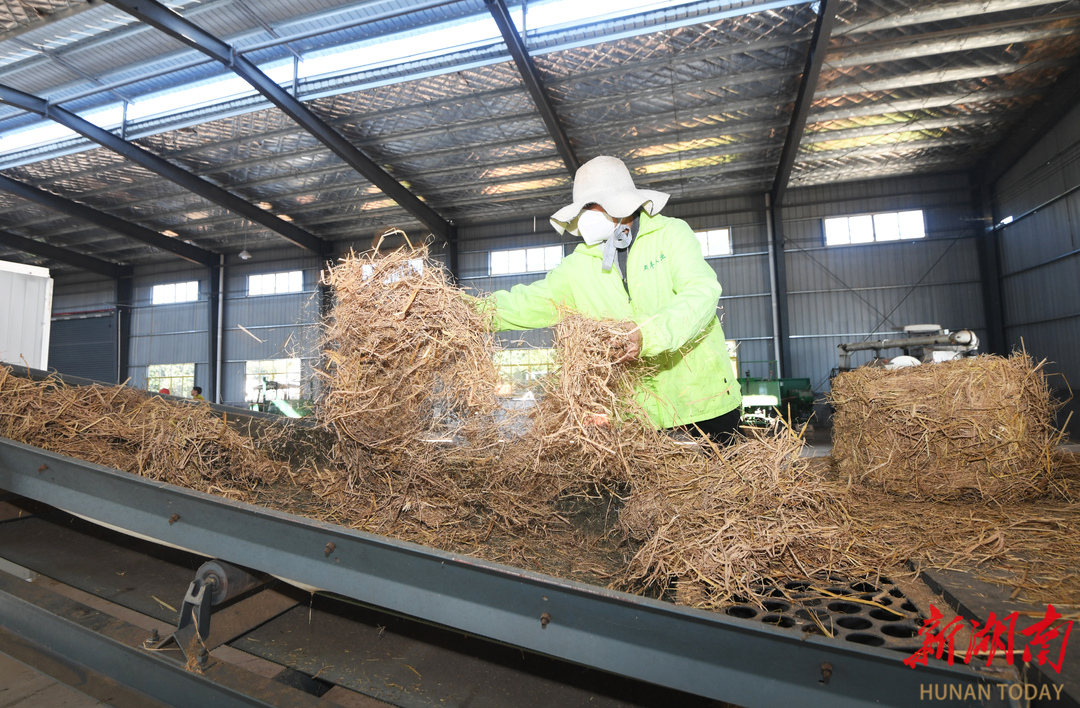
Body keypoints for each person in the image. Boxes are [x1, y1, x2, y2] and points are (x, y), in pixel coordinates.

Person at [481, 155, 742, 445]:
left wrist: (646, 334)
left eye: (592, 205)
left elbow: (702, 292)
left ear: (621, 202)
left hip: (704, 405)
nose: (586, 215)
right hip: (638, 420)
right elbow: (525, 302)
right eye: (583, 208)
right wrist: (463, 311)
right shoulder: (579, 265)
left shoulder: (670, 235)